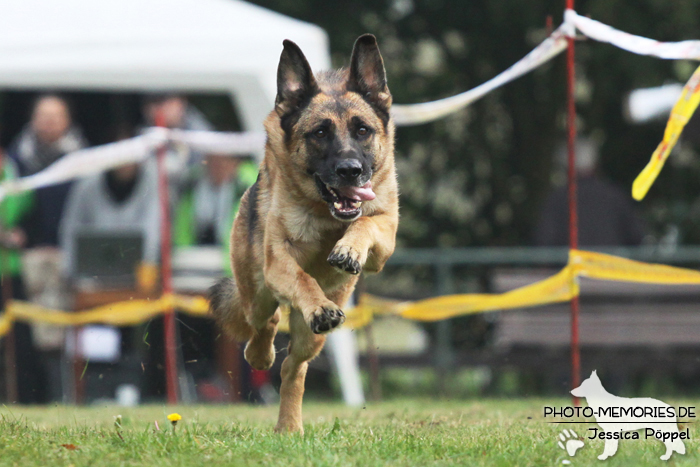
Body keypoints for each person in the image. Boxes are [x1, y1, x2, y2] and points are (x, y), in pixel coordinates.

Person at [170, 153, 258, 401]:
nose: (217, 166)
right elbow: (181, 234)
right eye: (213, 160)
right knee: (185, 323)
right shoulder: (192, 186)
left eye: (224, 160)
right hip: (194, 274)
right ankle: (197, 380)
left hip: (239, 273)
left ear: (236, 162)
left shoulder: (251, 187)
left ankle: (239, 390)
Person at [8, 94, 88, 247]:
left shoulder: (83, 157)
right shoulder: (16, 157)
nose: (50, 122)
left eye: (56, 116)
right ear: (33, 118)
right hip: (27, 250)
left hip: (71, 246)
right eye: (44, 116)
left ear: (68, 120)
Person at [534, 138, 645, 247]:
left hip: (573, 264)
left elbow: (545, 239)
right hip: (610, 264)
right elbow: (636, 236)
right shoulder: (615, 195)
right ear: (595, 164)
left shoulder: (558, 198)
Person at [0, 146, 45, 403]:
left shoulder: (20, 180)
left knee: (21, 344)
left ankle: (27, 398)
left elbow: (33, 220)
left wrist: (20, 235)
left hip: (12, 271)